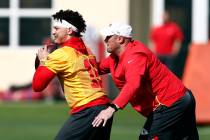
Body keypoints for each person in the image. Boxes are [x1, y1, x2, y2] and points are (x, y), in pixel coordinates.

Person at [92, 22, 199, 140]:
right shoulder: (115, 58)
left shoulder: (135, 55)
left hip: (171, 103)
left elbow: (133, 84)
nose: (105, 40)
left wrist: (112, 108)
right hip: (175, 101)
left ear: (120, 39)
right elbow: (96, 68)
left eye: (108, 37)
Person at [32, 9, 113, 140]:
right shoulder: (88, 49)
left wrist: (43, 61)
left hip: (87, 110)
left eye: (57, 28)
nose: (53, 32)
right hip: (103, 107)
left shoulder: (63, 54)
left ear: (69, 30)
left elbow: (37, 86)